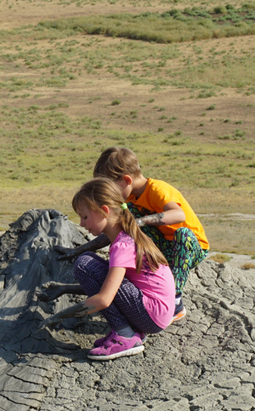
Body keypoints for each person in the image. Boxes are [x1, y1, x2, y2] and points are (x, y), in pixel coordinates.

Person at [90, 146, 208, 320]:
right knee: (128, 215)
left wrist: (141, 222)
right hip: (165, 247)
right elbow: (114, 229)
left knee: (183, 235)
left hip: (189, 248)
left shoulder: (158, 190)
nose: (110, 193)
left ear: (126, 180)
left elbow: (178, 215)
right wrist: (81, 249)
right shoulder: (130, 200)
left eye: (111, 187)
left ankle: (174, 302)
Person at [69, 177, 175, 361]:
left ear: (104, 211)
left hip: (151, 316)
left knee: (85, 265)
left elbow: (104, 298)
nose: (81, 223)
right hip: (157, 313)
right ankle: (132, 331)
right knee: (90, 263)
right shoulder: (128, 236)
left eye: (84, 216)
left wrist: (62, 316)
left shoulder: (122, 245)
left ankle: (125, 335)